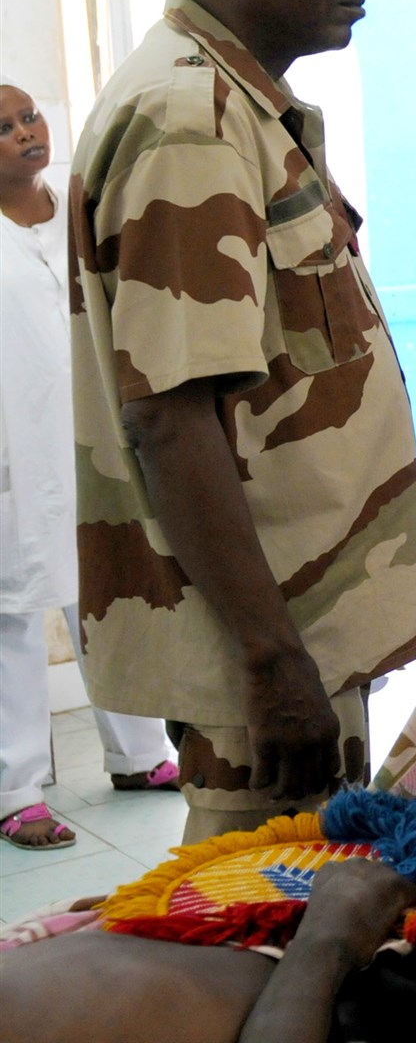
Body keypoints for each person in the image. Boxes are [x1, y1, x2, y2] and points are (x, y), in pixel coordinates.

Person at [67, 0, 416, 844]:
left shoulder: (240, 103)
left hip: (303, 613)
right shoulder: (187, 118)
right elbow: (173, 416)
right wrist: (273, 662)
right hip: (267, 634)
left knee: (303, 901)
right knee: (255, 921)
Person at [0, 82, 177, 853]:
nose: (24, 133)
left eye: (29, 116)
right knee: (9, 618)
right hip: (11, 448)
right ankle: (15, 788)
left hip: (91, 433)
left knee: (109, 589)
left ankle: (138, 756)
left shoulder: (80, 205)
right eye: (3, 128)